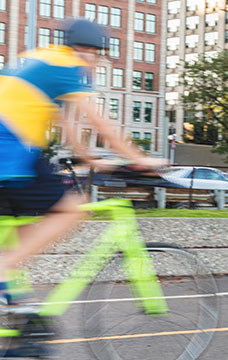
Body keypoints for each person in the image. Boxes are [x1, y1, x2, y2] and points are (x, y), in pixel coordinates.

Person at [0, 19, 166, 305]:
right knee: (73, 210)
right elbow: (101, 122)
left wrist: (91, 158)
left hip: (13, 151)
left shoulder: (38, 59)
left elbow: (64, 120)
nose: (96, 63)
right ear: (86, 51)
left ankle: (20, 319)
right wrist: (139, 159)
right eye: (97, 55)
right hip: (12, 151)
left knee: (23, 234)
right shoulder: (68, 66)